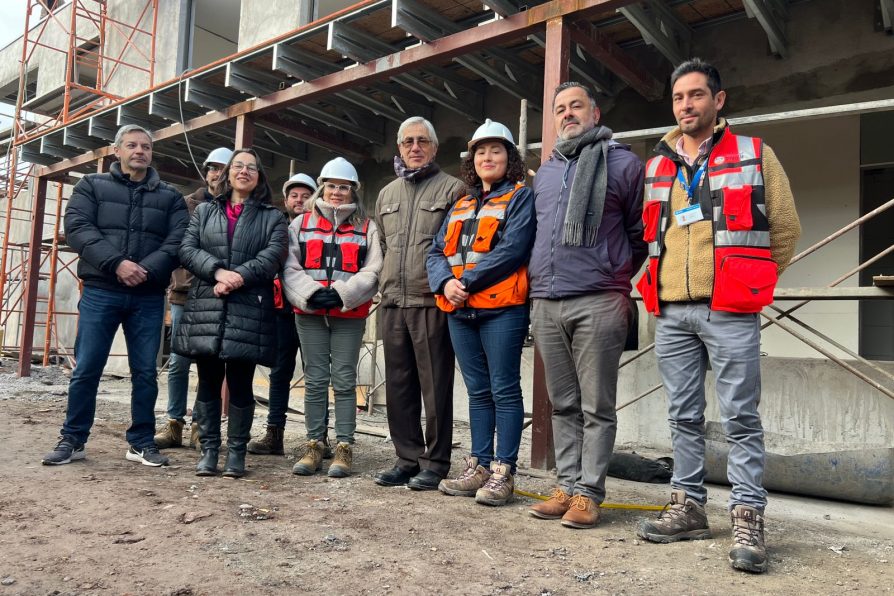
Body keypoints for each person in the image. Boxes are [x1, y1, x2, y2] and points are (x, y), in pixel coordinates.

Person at [635, 59, 800, 574]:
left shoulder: (755, 153)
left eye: (697, 95)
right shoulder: (657, 164)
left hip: (730, 308)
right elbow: (650, 236)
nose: (687, 105)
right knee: (682, 415)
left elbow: (786, 229)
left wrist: (751, 283)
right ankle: (688, 506)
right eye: (679, 97)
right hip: (673, 311)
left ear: (718, 101)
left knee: (740, 418)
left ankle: (748, 515)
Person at [527, 82, 647, 528]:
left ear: (595, 113)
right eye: (560, 108)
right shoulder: (546, 172)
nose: (567, 114)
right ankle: (567, 485)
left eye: (576, 105)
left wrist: (611, 275)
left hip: (598, 299)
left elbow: (639, 234)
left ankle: (589, 494)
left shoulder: (623, 163)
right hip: (547, 301)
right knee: (562, 404)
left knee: (596, 405)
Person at [42, 124, 188, 467]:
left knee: (145, 372)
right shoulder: (91, 186)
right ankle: (73, 439)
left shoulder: (170, 196)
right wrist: (118, 264)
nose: (140, 151)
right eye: (133, 145)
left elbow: (178, 240)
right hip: (101, 291)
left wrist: (146, 270)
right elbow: (78, 229)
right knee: (87, 369)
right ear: (116, 151)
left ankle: (140, 442)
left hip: (148, 296)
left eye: (146, 147)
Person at [427, 120, 535, 506]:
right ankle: (479, 465)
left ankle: (504, 471)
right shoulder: (462, 203)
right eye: (481, 151)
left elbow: (513, 249)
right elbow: (436, 251)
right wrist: (444, 284)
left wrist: (466, 281)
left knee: (504, 388)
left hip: (502, 308)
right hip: (459, 308)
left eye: (497, 150)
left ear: (510, 157)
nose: (488, 157)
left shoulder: (521, 197)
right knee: (477, 391)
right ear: (473, 159)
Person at [173, 148, 288, 478]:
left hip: (247, 307)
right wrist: (218, 272)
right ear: (227, 174)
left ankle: (236, 452)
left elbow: (273, 256)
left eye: (251, 167)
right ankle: (209, 449)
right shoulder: (206, 211)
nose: (244, 171)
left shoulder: (272, 216)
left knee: (241, 382)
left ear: (259, 177)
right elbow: (187, 249)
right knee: (208, 380)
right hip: (207, 303)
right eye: (238, 166)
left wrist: (239, 277)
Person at [373, 117, 466, 490]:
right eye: (408, 141)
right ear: (399, 148)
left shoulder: (453, 190)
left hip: (432, 301)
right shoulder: (386, 195)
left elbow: (458, 247)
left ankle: (436, 461)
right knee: (397, 386)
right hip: (393, 301)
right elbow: (382, 245)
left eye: (422, 141)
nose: (415, 147)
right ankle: (406, 458)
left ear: (434, 148)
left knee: (435, 386)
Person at [282, 158, 382, 478]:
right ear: (322, 186)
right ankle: (314, 444)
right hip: (310, 312)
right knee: (314, 379)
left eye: (344, 186)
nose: (337, 192)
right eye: (332, 185)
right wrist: (310, 292)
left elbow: (373, 269)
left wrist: (343, 293)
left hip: (348, 314)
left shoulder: (367, 226)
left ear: (354, 190)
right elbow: (289, 265)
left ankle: (344, 446)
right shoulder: (300, 224)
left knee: (343, 378)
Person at [155, 147, 233, 450]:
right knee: (178, 361)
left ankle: (202, 425)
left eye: (223, 169)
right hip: (184, 293)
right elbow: (177, 246)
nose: (217, 174)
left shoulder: (234, 208)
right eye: (212, 168)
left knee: (209, 363)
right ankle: (174, 422)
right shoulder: (186, 205)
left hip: (216, 293)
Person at [247, 173, 318, 457]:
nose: (299, 201)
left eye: (305, 195)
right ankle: (274, 434)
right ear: (286, 200)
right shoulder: (278, 228)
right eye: (294, 196)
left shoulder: (320, 229)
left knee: (316, 375)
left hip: (312, 311)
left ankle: (318, 438)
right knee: (280, 374)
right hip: (282, 312)